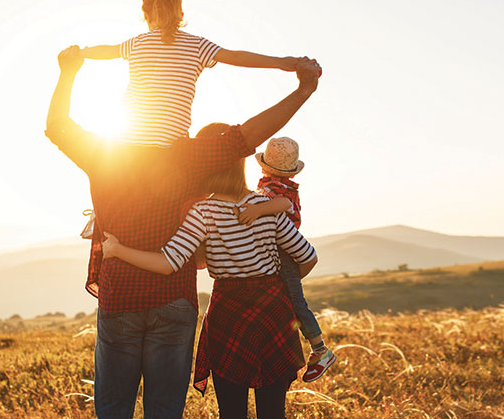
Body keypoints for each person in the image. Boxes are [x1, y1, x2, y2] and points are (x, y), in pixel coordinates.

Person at [45, 45, 321, 419]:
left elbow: (57, 126)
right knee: (165, 411)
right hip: (176, 301)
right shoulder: (191, 158)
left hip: (121, 297)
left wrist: (69, 71)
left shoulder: (104, 152)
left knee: (112, 409)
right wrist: (303, 90)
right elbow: (249, 135)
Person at [98, 122, 319, 418]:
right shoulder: (267, 205)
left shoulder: (203, 212)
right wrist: (275, 286)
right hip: (274, 313)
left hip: (229, 314)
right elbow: (308, 256)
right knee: (273, 411)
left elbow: (169, 262)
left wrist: (116, 250)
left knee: (231, 412)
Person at [79, 0, 300, 147]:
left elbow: (106, 51)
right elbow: (236, 57)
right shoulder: (197, 45)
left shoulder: (137, 43)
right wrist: (281, 62)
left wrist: (80, 53)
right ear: (181, 14)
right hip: (172, 146)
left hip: (127, 142)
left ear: (145, 15)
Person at [235, 136, 335, 381]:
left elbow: (282, 204)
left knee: (295, 301)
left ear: (263, 165)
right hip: (277, 249)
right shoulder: (271, 185)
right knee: (284, 299)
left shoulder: (281, 190)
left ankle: (320, 349)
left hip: (284, 251)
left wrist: (257, 210)